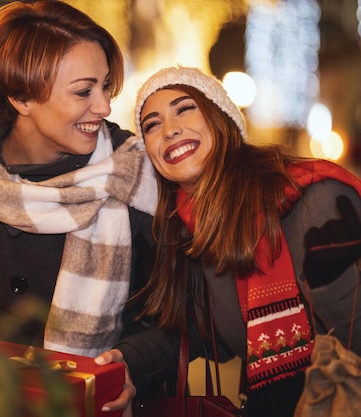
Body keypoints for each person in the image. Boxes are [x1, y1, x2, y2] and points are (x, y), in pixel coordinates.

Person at [95, 66, 361, 416]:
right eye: (152, 124)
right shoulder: (187, 231)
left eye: (184, 108)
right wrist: (130, 362)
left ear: (221, 119)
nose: (170, 129)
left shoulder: (314, 199)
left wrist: (333, 288)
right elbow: (188, 329)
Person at [0, 0, 157, 362]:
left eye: (105, 86)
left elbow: (178, 321)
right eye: (84, 91)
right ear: (21, 97)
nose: (104, 107)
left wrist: (132, 363)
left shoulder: (133, 171)